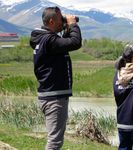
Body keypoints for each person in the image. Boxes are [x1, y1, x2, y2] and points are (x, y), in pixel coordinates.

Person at [30, 6, 82, 150]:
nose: (62, 22)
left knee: (54, 138)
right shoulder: (49, 40)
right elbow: (75, 43)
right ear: (52, 21)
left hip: (49, 95)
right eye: (61, 20)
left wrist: (66, 31)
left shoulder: (43, 39)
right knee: (55, 141)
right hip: (54, 98)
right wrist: (73, 25)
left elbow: (61, 46)